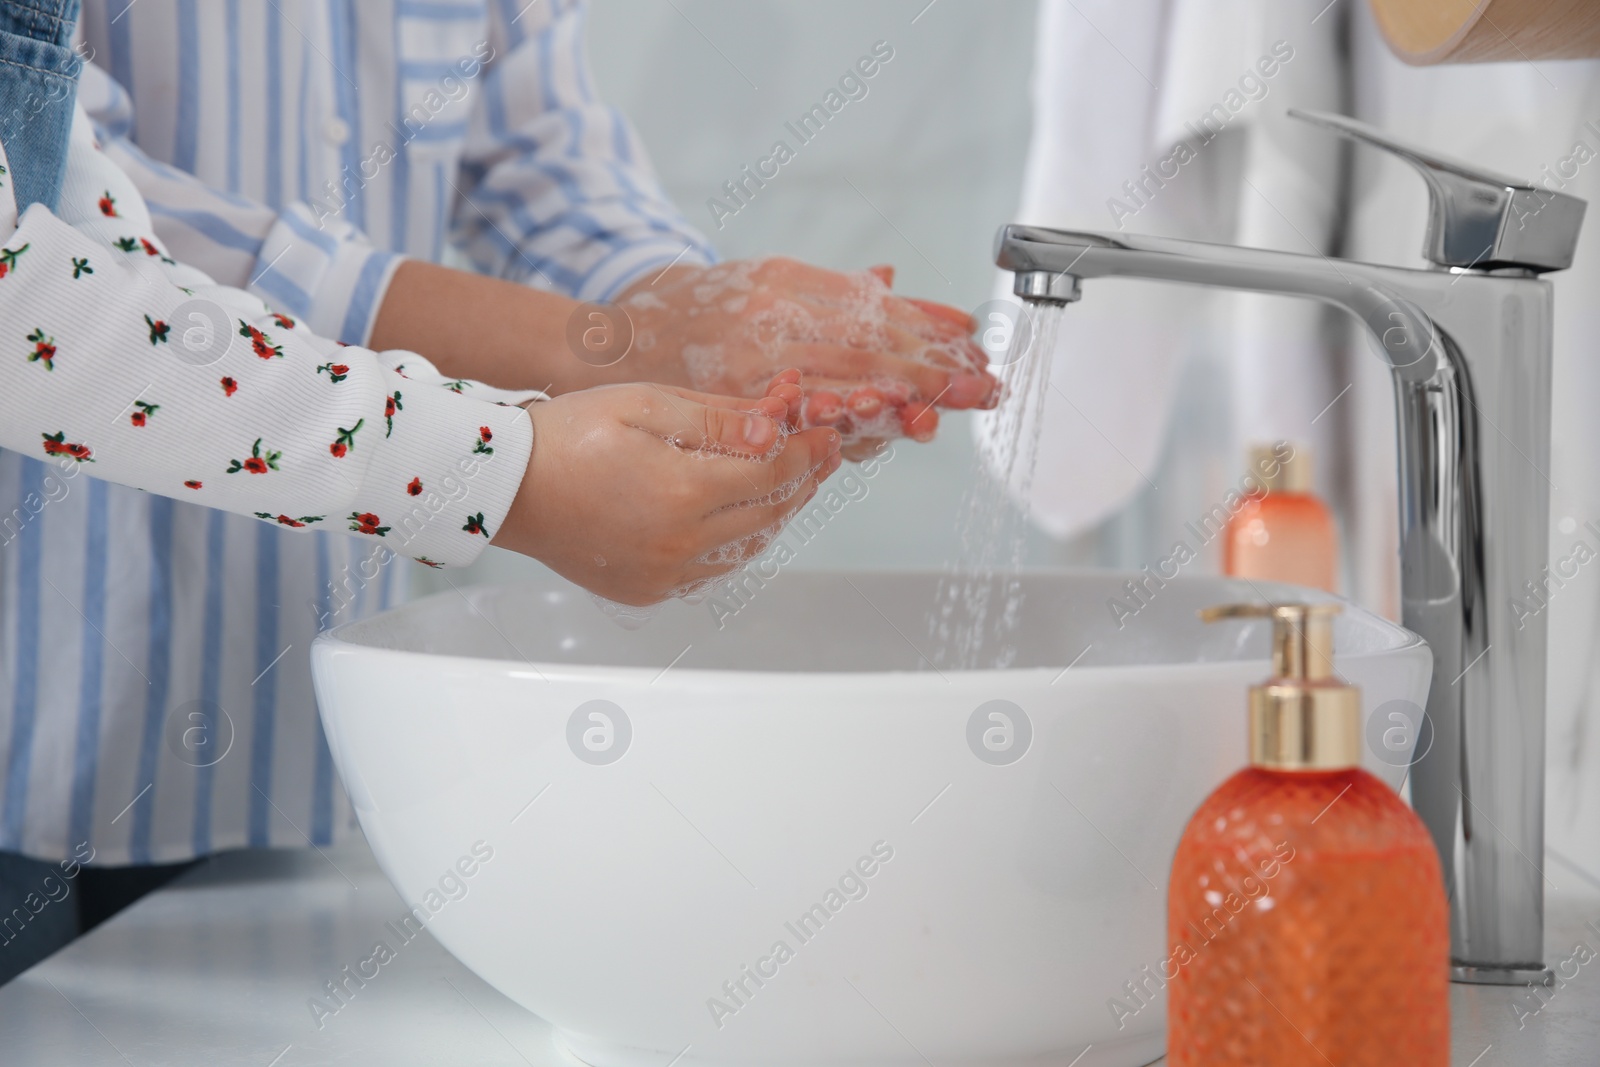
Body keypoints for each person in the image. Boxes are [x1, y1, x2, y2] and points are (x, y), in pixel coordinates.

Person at [0, 0, 995, 980]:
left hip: (307, 723)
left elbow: (85, 220)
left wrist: (679, 313)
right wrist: (510, 458)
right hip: (38, 696)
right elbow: (48, 280)